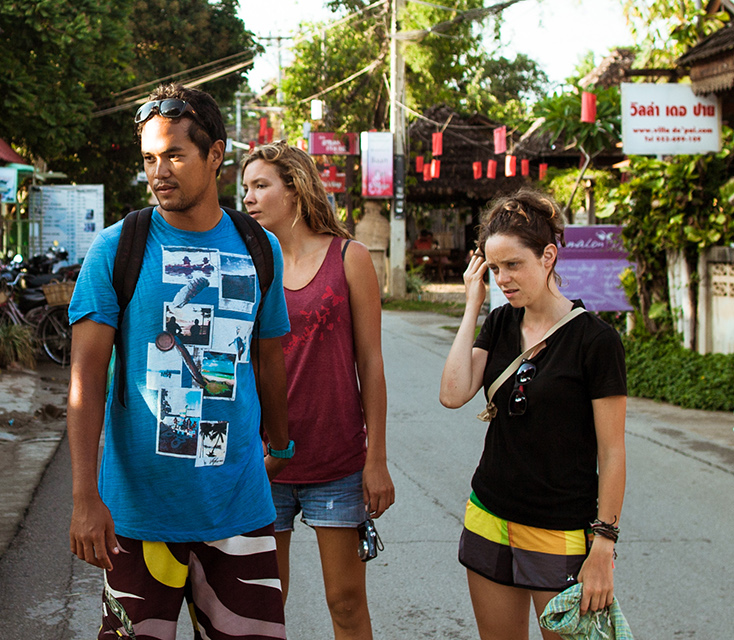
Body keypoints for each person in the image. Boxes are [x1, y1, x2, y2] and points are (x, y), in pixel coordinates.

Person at [68, 83, 292, 640]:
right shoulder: (117, 249)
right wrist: (84, 497)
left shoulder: (260, 248)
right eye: (150, 158)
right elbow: (85, 381)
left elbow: (268, 360)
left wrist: (283, 445)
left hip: (238, 511)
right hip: (139, 518)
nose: (158, 172)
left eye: (174, 155)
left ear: (215, 155)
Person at [438, 189, 627, 639]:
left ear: (548, 256)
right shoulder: (501, 322)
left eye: (513, 264)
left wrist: (603, 544)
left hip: (559, 528)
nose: (503, 279)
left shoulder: (596, 341)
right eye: (494, 268)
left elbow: (612, 451)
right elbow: (453, 393)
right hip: (489, 514)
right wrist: (472, 303)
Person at [240, 142, 394, 639]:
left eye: (260, 185)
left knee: (345, 603)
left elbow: (371, 363)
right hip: (264, 461)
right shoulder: (248, 264)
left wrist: (376, 459)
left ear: (296, 189)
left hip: (337, 460)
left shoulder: (350, 257)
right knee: (264, 604)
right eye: (245, 188)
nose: (248, 198)